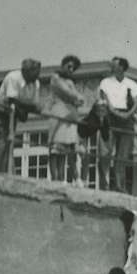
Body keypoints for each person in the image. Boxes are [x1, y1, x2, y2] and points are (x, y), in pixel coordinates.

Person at [0, 58, 42, 173]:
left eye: (38, 72)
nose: (37, 75)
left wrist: (26, 105)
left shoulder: (35, 83)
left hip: (13, 114)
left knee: (6, 142)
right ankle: (6, 173)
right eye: (34, 72)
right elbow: (12, 100)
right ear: (25, 71)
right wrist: (27, 105)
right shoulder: (13, 77)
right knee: (3, 142)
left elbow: (36, 106)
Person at [97, 57, 137, 194]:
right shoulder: (105, 82)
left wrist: (128, 114)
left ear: (122, 67)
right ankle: (104, 183)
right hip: (110, 117)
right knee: (105, 152)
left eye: (114, 64)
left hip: (126, 119)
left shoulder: (131, 84)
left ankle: (119, 184)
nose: (111, 66)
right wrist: (114, 112)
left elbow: (136, 102)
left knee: (122, 155)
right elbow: (106, 100)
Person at [47, 55, 86, 183]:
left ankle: (61, 180)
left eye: (73, 68)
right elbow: (66, 92)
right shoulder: (56, 78)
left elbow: (79, 98)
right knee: (55, 149)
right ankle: (55, 179)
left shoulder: (70, 82)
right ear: (63, 65)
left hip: (69, 116)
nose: (70, 69)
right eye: (69, 66)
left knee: (64, 150)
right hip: (59, 114)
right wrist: (77, 98)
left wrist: (77, 98)